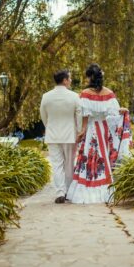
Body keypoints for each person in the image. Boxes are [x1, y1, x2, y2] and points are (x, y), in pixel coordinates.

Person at [67, 64, 132, 204]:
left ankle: (87, 187)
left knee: (88, 155)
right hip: (103, 129)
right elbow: (113, 113)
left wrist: (82, 131)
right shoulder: (109, 93)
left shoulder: (85, 94)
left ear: (90, 77)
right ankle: (104, 188)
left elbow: (85, 116)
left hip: (91, 129)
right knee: (103, 156)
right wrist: (122, 111)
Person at [40, 69, 82, 204]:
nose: (70, 80)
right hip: (70, 135)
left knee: (57, 164)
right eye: (69, 78)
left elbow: (43, 115)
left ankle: (60, 192)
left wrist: (49, 127)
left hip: (52, 135)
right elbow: (79, 115)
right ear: (64, 80)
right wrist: (79, 131)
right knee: (69, 164)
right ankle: (68, 191)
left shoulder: (46, 96)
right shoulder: (74, 96)